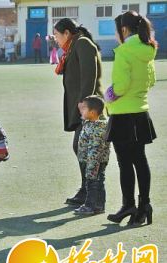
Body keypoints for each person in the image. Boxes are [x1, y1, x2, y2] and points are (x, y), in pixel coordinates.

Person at [105, 11, 157, 226]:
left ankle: (129, 205)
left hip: (123, 114)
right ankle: (143, 205)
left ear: (123, 30)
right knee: (140, 161)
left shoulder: (124, 51)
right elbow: (151, 80)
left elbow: (121, 86)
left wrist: (109, 94)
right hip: (140, 112)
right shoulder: (147, 50)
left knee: (125, 163)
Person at [53, 18, 103, 207]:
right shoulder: (74, 45)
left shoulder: (82, 44)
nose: (56, 39)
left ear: (67, 33)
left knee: (85, 150)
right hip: (82, 108)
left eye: (57, 35)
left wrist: (85, 108)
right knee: (81, 149)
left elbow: (89, 78)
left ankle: (91, 193)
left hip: (89, 110)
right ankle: (86, 190)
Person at [74, 96, 110, 215]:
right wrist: (82, 106)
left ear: (93, 113)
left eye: (84, 109)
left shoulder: (98, 129)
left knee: (93, 183)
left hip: (95, 162)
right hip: (91, 161)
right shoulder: (89, 122)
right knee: (98, 182)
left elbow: (95, 150)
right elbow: (83, 114)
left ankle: (90, 205)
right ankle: (99, 205)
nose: (81, 111)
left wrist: (91, 166)